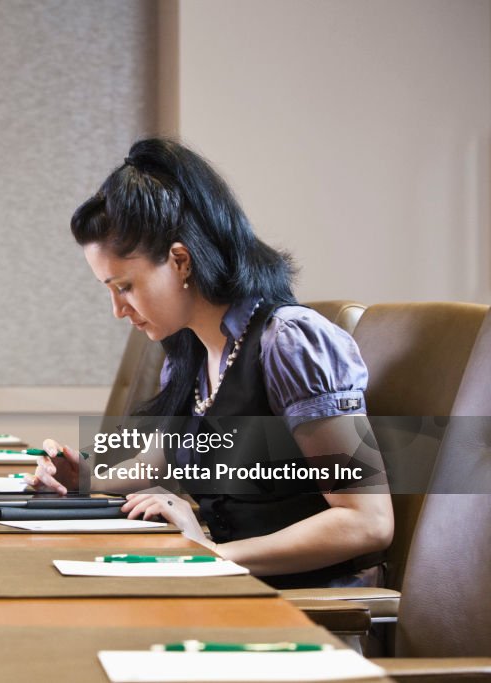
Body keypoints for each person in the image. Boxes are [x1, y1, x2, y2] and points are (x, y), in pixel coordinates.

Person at [28, 138, 393, 589]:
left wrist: (208, 554)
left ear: (180, 261)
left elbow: (366, 521)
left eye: (123, 286)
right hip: (235, 590)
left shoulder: (289, 342)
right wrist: (85, 475)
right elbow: (164, 462)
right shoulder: (193, 351)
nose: (117, 309)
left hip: (308, 612)